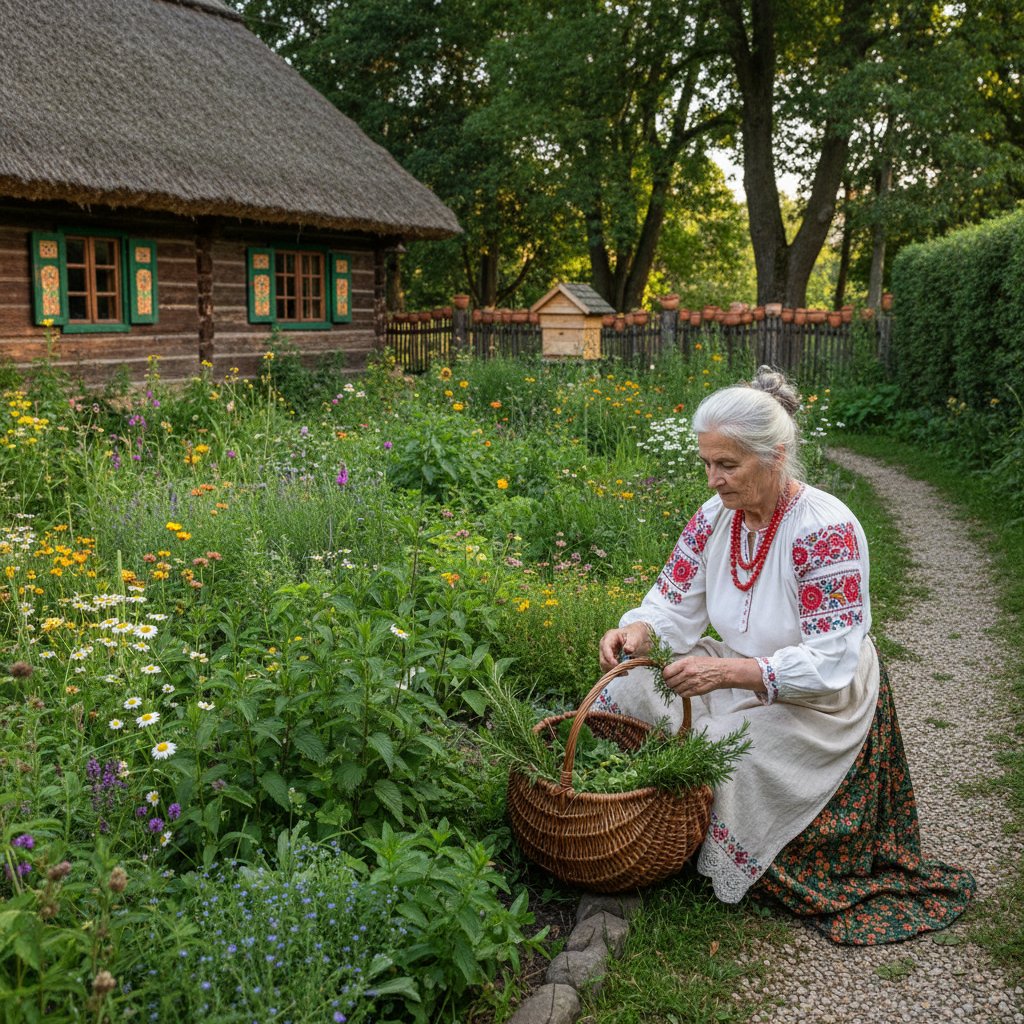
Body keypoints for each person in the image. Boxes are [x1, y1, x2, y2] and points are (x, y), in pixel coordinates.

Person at [596, 365, 974, 944]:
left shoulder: (824, 529)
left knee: (722, 750)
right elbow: (673, 601)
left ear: (773, 455)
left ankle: (717, 838)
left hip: (817, 698)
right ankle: (663, 818)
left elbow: (829, 663)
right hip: (740, 668)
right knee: (630, 686)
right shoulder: (713, 519)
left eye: (727, 465)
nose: (713, 480)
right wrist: (643, 630)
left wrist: (730, 671)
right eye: (706, 463)